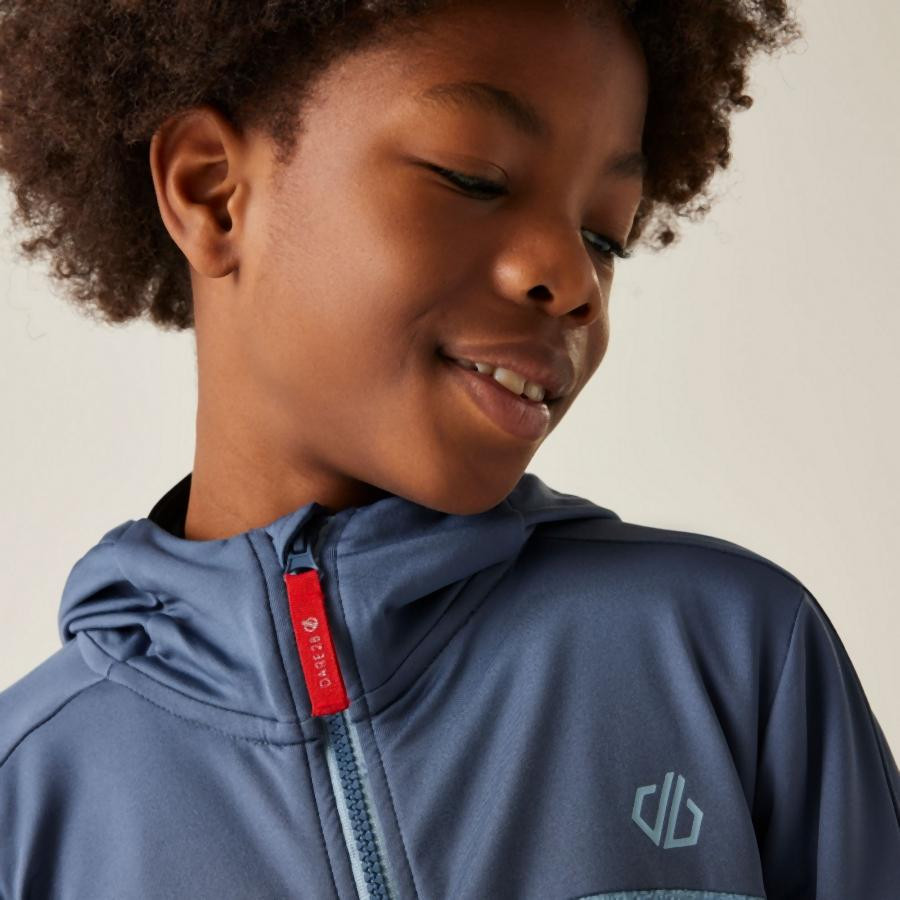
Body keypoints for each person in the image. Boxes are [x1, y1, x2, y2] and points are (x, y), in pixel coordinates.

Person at [0, 0, 897, 897]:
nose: (574, 281)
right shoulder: (28, 805)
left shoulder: (730, 656)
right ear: (213, 195)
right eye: (474, 179)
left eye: (603, 235)